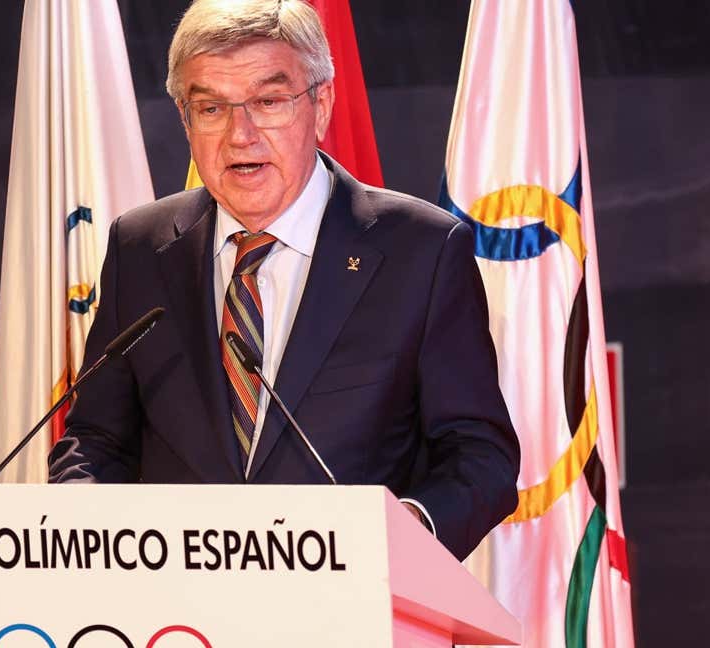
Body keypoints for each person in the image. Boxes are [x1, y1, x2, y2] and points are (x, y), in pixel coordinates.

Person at [48, 0, 519, 560]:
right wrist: (92, 538)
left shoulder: (421, 251)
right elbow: (95, 438)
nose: (240, 135)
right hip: (174, 616)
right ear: (185, 120)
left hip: (354, 610)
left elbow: (479, 456)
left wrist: (406, 538)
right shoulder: (141, 246)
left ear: (320, 106)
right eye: (212, 109)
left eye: (269, 102)